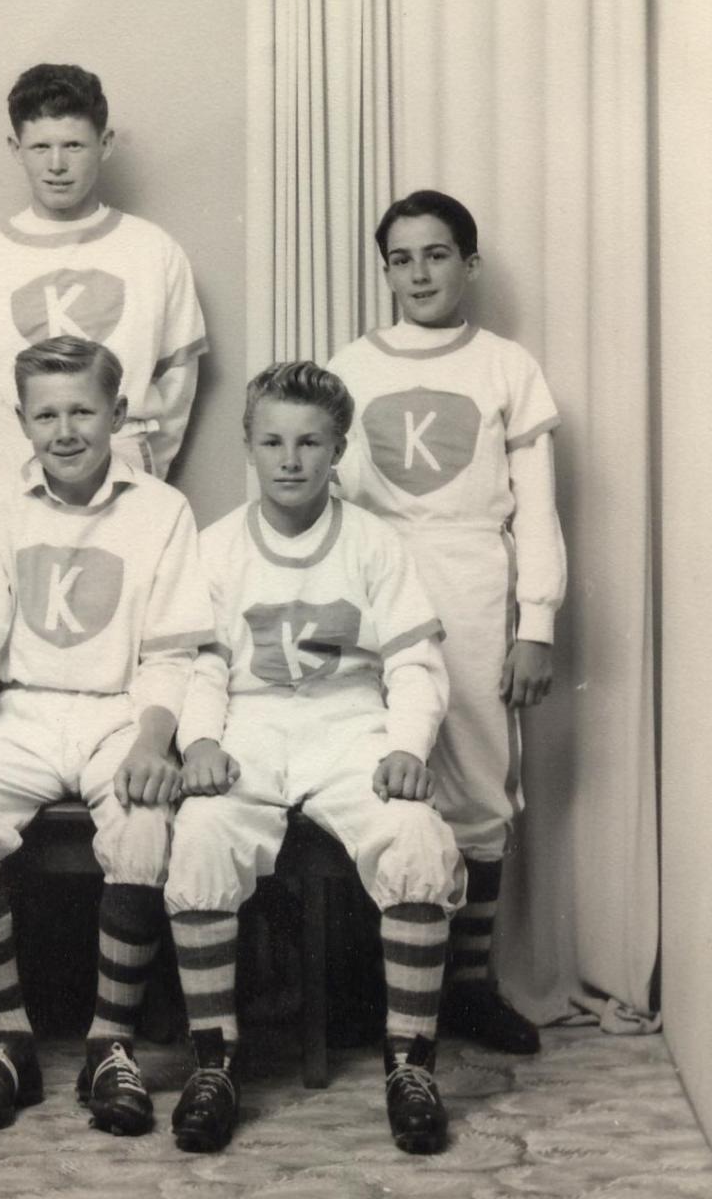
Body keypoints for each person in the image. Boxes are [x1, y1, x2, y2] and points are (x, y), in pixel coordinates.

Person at [165, 361, 465, 1156]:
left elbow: (413, 663)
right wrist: (198, 740)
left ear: (338, 450)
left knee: (416, 838)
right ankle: (214, 1060)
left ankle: (410, 1063)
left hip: (347, 721)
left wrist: (407, 747)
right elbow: (200, 663)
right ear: (249, 446)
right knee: (198, 833)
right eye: (273, 441)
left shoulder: (373, 541)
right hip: (252, 721)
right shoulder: (218, 545)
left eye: (309, 442)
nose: (290, 460)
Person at [0, 335, 213, 1137]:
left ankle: (108, 1043)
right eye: (45, 414)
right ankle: (8, 1036)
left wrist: (154, 741)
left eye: (82, 410)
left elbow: (170, 651)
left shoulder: (162, 510)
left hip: (118, 709)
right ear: (20, 421)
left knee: (146, 819)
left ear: (118, 412)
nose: (64, 430)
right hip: (19, 707)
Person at [328, 190, 567, 1055]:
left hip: (470, 579)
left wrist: (534, 621)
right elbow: (328, 490)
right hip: (375, 576)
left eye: (437, 255)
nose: (419, 273)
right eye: (401, 258)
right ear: (384, 270)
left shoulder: (506, 366)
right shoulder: (351, 366)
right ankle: (375, 984)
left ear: (468, 264)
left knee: (475, 776)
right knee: (374, 769)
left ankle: (468, 986)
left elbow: (535, 509)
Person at [0, 63, 208, 484]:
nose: (57, 164)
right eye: (41, 147)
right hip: (16, 460)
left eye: (74, 146)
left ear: (105, 144)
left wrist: (145, 469)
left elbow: (178, 382)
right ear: (15, 148)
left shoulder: (153, 250)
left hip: (124, 457)